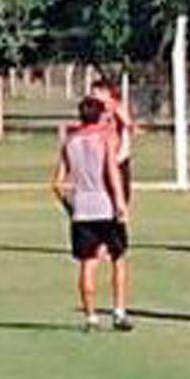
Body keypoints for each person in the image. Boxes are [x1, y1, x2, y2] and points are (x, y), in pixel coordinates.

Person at [52, 97, 134, 332]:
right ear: (99, 116)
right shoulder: (104, 138)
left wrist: (71, 207)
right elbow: (111, 170)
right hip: (105, 205)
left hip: (82, 208)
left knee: (88, 263)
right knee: (118, 259)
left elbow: (57, 183)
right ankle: (119, 312)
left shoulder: (70, 141)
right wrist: (120, 202)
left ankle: (90, 316)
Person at [90, 79, 136, 202]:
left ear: (106, 93)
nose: (93, 97)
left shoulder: (116, 107)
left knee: (121, 194)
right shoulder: (94, 112)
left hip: (118, 158)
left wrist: (115, 109)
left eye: (95, 94)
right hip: (101, 158)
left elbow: (129, 124)